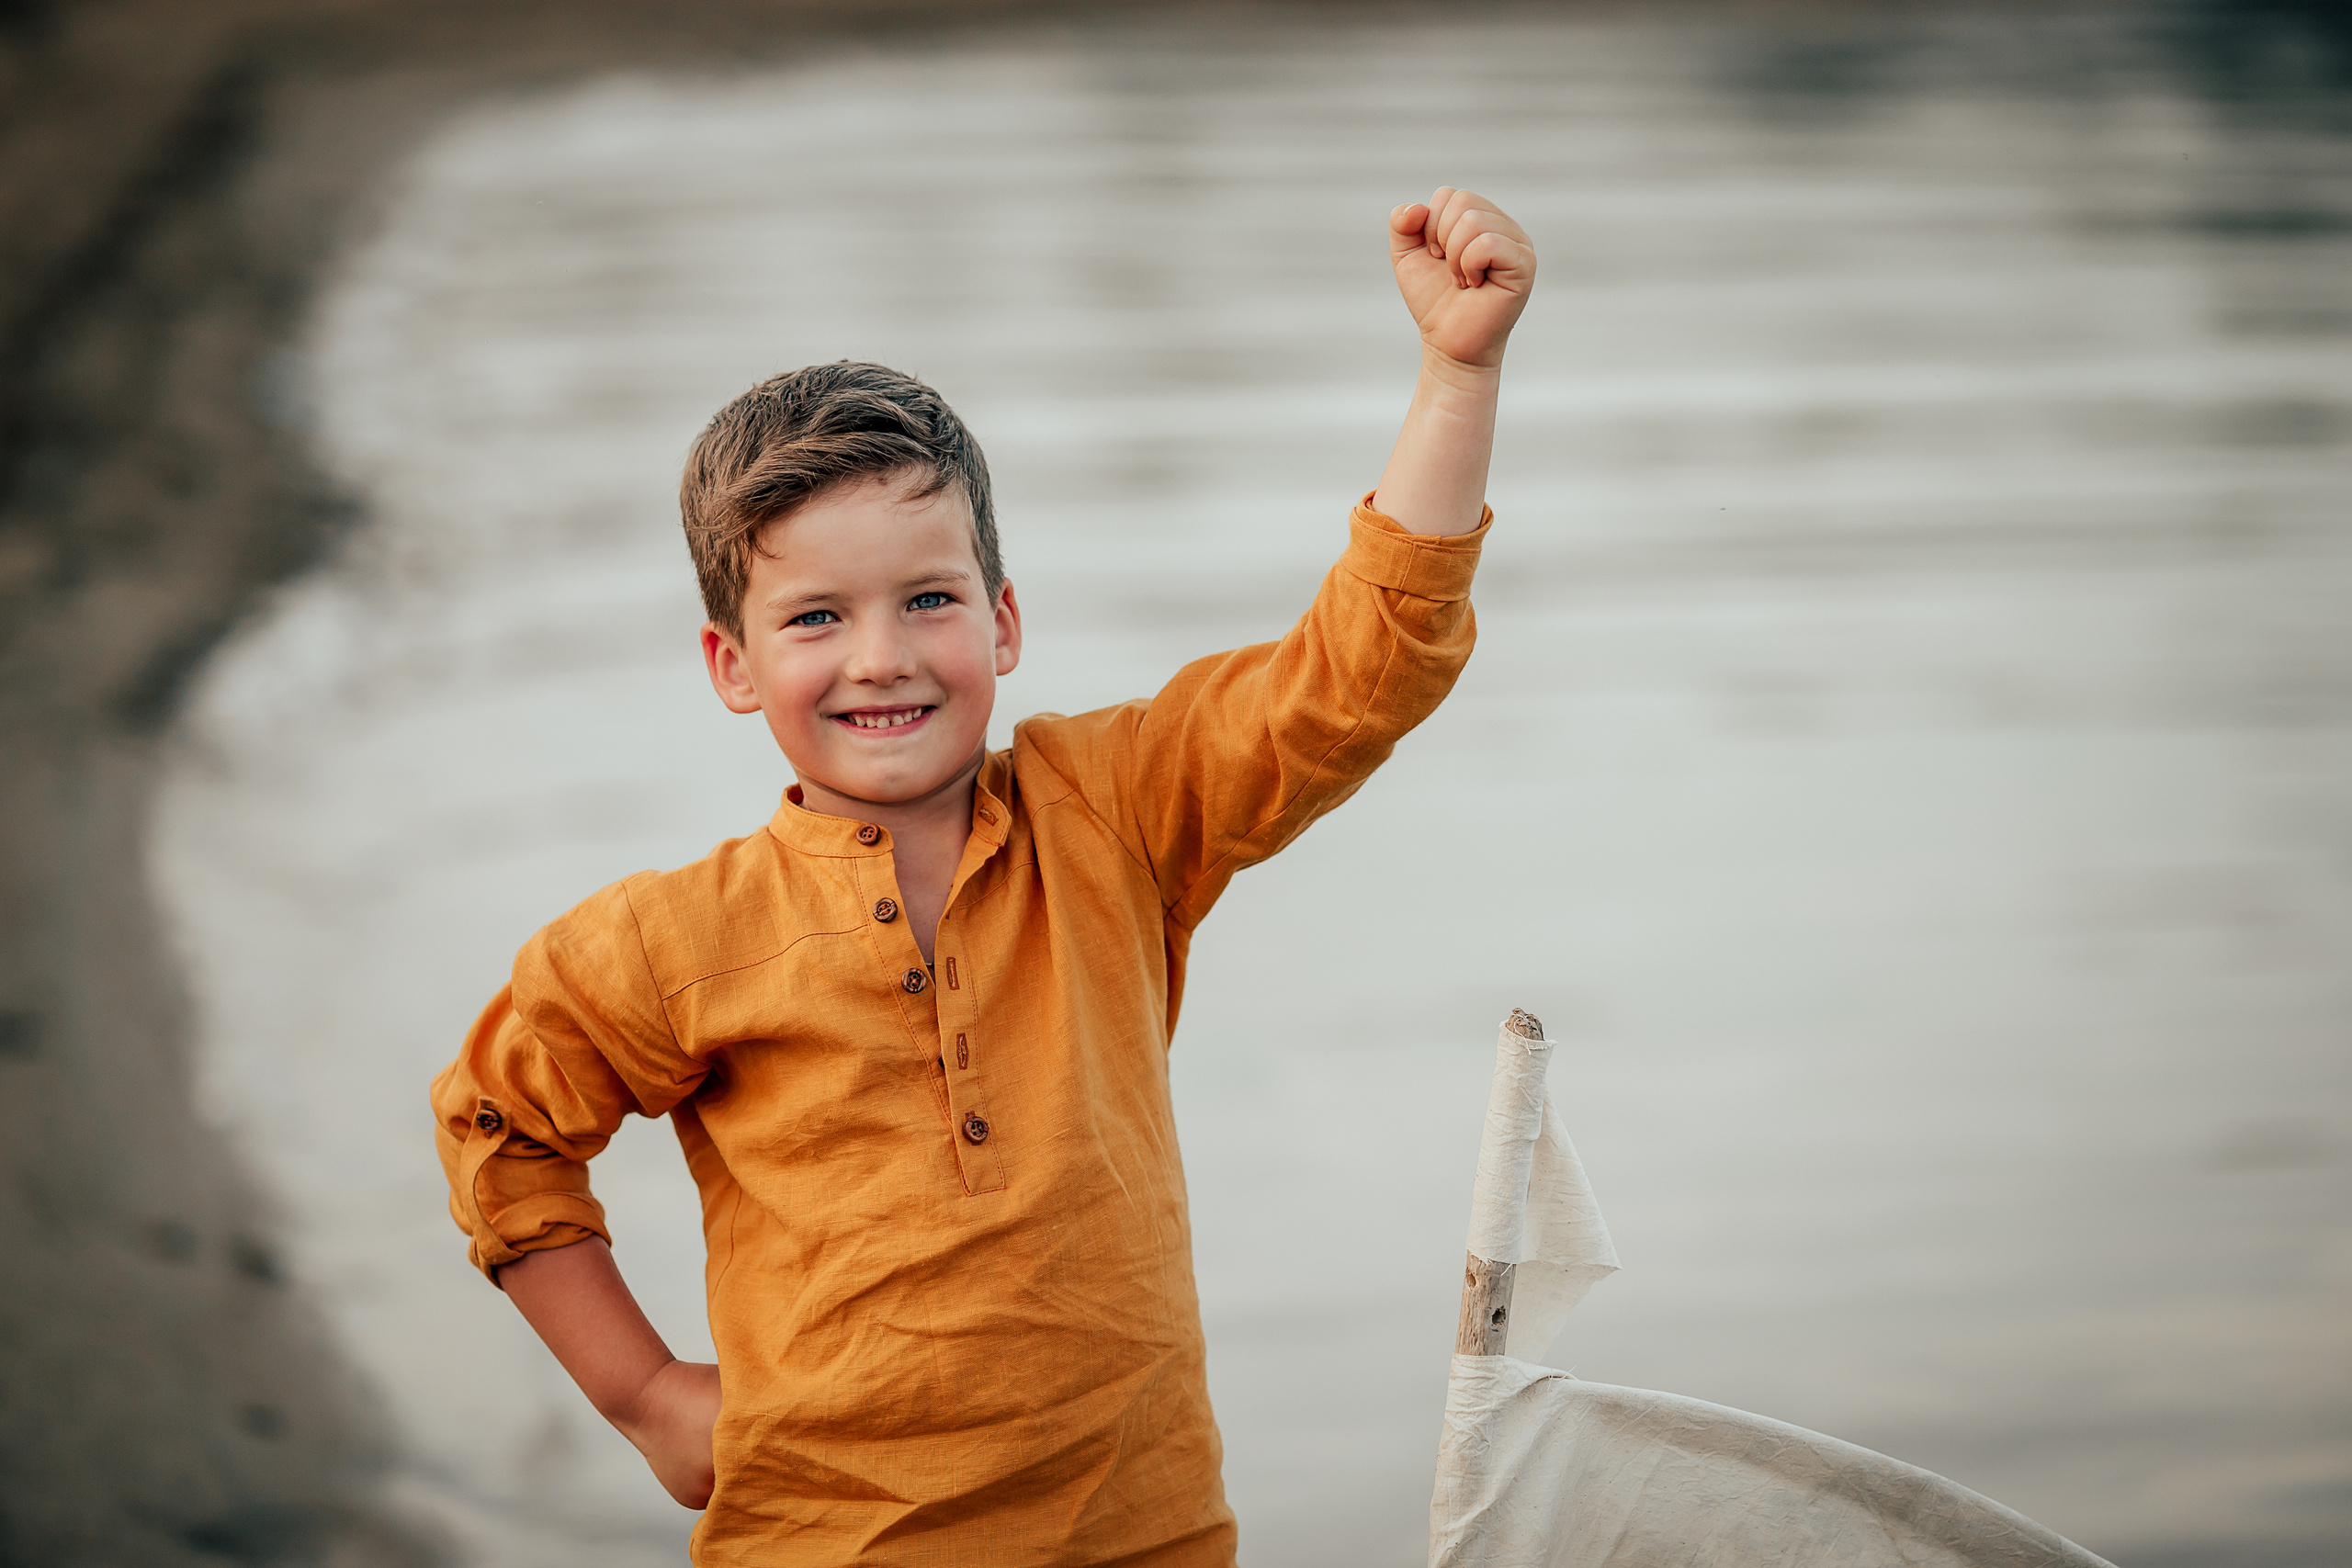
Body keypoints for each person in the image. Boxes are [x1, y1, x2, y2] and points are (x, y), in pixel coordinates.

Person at [429, 186, 1534, 1566]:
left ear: (1003, 622)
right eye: (815, 617)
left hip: (1148, 1537)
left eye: (928, 599)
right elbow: (500, 1125)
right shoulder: (678, 941)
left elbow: (1354, 676)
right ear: (732, 664)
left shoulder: (1115, 812)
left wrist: (1457, 376)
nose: (881, 656)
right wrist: (646, 1395)